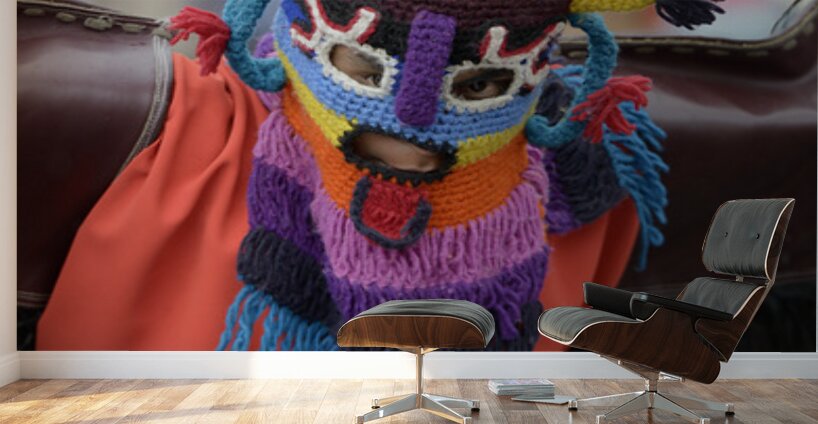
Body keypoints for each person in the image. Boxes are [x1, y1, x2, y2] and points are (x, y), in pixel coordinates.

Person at [36, 0, 724, 351]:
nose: (414, 149)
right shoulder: (185, 156)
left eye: (477, 84)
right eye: (362, 75)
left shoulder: (577, 186)